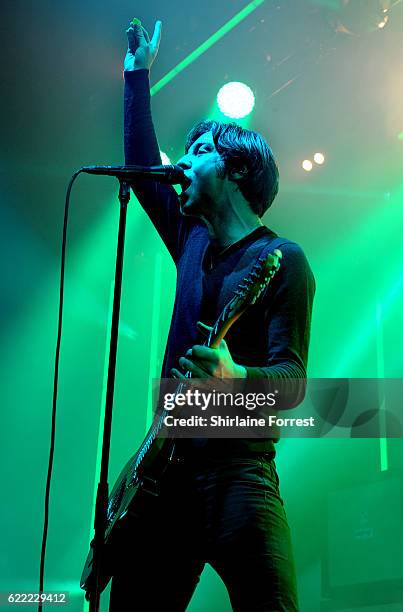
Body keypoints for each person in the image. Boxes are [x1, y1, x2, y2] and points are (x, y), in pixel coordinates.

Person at [109, 18, 315, 612]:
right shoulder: (192, 242)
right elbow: (145, 167)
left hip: (238, 473)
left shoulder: (284, 261)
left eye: (198, 153)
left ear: (237, 169)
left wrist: (235, 379)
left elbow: (292, 384)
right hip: (166, 470)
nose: (183, 165)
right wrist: (136, 77)